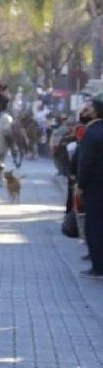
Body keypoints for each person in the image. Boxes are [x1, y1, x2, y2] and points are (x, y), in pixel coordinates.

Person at [76, 96, 103, 280]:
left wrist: (81, 186)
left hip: (95, 187)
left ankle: (98, 268)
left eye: (89, 108)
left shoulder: (91, 132)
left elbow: (85, 163)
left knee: (94, 226)